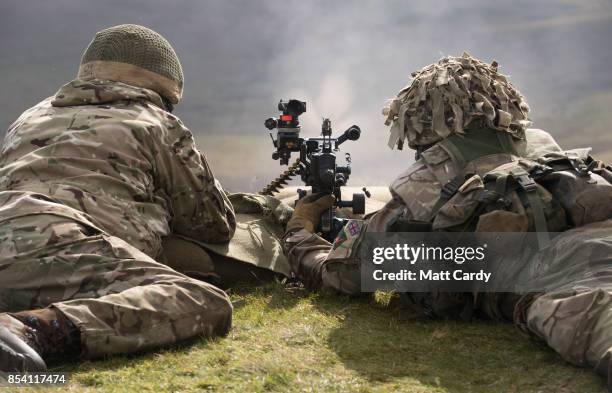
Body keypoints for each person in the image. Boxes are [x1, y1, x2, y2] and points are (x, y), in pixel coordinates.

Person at [283, 53, 612, 389]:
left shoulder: (422, 197)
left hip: (571, 287)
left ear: (418, 124)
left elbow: (338, 276)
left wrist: (300, 229)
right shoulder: (559, 160)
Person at [0, 24, 236, 372]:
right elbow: (213, 225)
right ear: (165, 93)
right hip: (58, 243)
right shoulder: (158, 123)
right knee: (206, 301)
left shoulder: (30, 117)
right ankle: (30, 328)